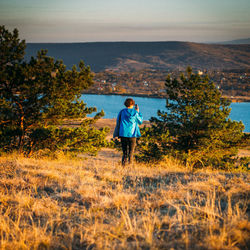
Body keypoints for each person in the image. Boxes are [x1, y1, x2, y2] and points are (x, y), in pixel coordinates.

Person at [113, 98, 143, 166]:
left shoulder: (122, 112)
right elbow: (140, 121)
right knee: (131, 152)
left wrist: (116, 134)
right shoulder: (135, 112)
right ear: (132, 104)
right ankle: (130, 165)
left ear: (125, 104)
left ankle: (123, 166)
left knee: (125, 152)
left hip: (123, 134)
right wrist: (138, 112)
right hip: (132, 134)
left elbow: (118, 122)